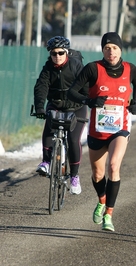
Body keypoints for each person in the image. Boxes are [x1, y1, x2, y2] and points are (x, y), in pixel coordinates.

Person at [67, 32, 136, 231]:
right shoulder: (93, 69)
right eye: (107, 48)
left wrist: (135, 102)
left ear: (121, 50)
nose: (111, 52)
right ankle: (102, 200)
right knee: (98, 173)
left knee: (113, 166)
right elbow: (72, 91)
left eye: (115, 48)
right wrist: (89, 101)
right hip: (97, 130)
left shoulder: (130, 69)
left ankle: (109, 214)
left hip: (120, 127)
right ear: (103, 50)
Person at [33, 36, 88, 195]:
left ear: (67, 53)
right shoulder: (48, 68)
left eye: (61, 53)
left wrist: (87, 100)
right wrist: (39, 108)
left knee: (72, 139)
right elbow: (41, 87)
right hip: (56, 104)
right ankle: (46, 162)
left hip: (76, 107)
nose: (57, 56)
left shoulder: (76, 66)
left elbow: (86, 87)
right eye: (53, 53)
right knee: (49, 129)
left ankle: (74, 176)